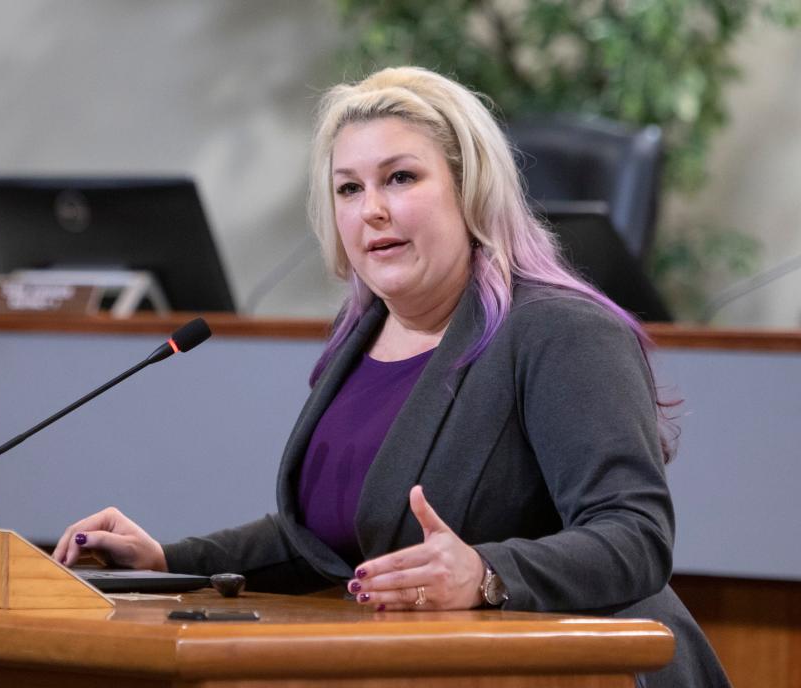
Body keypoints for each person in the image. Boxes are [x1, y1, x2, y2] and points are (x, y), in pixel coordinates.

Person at [54, 67, 730, 687]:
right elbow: (318, 541)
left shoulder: (561, 331)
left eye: (400, 178)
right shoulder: (362, 337)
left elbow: (635, 537)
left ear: (469, 188)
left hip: (589, 671)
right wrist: (166, 565)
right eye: (349, 188)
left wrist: (489, 574)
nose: (370, 208)